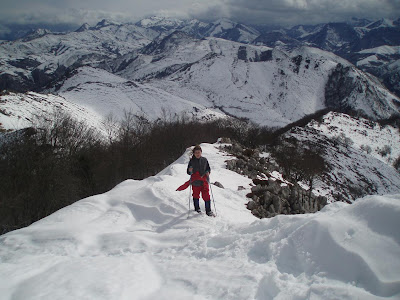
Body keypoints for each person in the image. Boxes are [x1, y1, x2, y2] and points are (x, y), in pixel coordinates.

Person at [176, 145, 214, 216]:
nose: (197, 154)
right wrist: (190, 171)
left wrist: (208, 172)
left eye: (199, 152)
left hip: (204, 181)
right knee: (196, 195)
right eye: (196, 152)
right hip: (195, 182)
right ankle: (197, 209)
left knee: (206, 196)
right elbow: (188, 172)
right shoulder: (192, 161)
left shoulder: (204, 160)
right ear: (194, 153)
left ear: (201, 152)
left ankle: (208, 211)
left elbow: (208, 168)